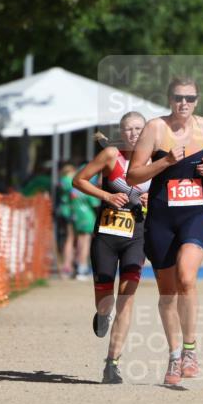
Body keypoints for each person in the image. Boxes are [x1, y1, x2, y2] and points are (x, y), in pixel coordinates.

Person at [126, 77, 203, 385]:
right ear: (169, 99)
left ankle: (191, 351)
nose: (184, 103)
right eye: (179, 97)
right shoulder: (155, 129)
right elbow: (133, 175)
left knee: (186, 276)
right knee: (168, 293)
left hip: (194, 214)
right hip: (161, 217)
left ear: (197, 100)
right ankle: (173, 356)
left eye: (190, 98)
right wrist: (166, 161)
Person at [71, 113, 151, 384]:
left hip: (136, 237)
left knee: (126, 300)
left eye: (139, 128)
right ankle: (103, 315)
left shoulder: (155, 159)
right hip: (106, 234)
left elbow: (167, 190)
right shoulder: (110, 155)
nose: (134, 133)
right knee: (105, 303)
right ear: (121, 132)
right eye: (128, 129)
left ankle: (112, 363)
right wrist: (106, 195)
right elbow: (78, 180)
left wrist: (153, 197)